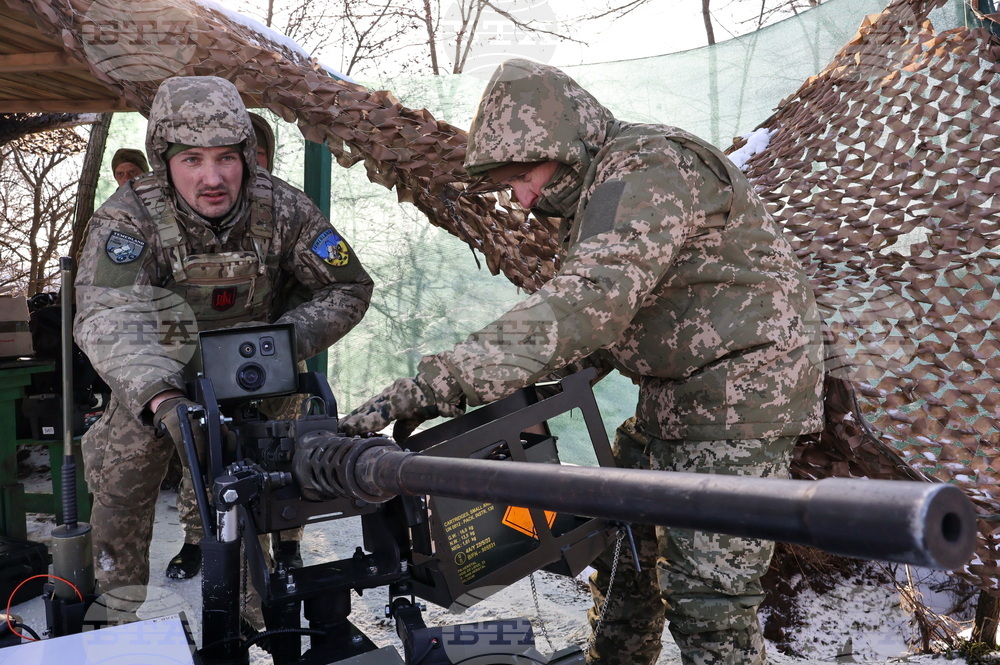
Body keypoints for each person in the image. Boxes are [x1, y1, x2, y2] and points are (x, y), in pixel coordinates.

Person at [338, 59, 824, 665]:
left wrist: (440, 381)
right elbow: (603, 325)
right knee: (625, 560)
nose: (521, 199)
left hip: (744, 401)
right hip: (678, 397)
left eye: (524, 176)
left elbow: (589, 303)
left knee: (708, 603)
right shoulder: (604, 188)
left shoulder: (646, 168)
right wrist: (495, 387)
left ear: (563, 145)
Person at [74, 75, 373, 615]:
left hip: (259, 378)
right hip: (158, 379)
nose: (212, 178)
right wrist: (160, 396)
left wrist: (279, 344)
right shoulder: (128, 219)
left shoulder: (283, 208)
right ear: (164, 160)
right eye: (192, 159)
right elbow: (106, 313)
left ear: (245, 156)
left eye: (226, 158)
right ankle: (116, 620)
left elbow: (347, 287)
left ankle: (254, 621)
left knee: (254, 499)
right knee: (119, 488)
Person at [166, 109, 304, 580]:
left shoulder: (285, 214)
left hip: (274, 362)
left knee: (284, 453)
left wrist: (283, 336)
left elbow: (319, 286)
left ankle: (287, 543)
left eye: (257, 156)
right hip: (207, 362)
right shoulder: (199, 213)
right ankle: (197, 538)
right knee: (205, 455)